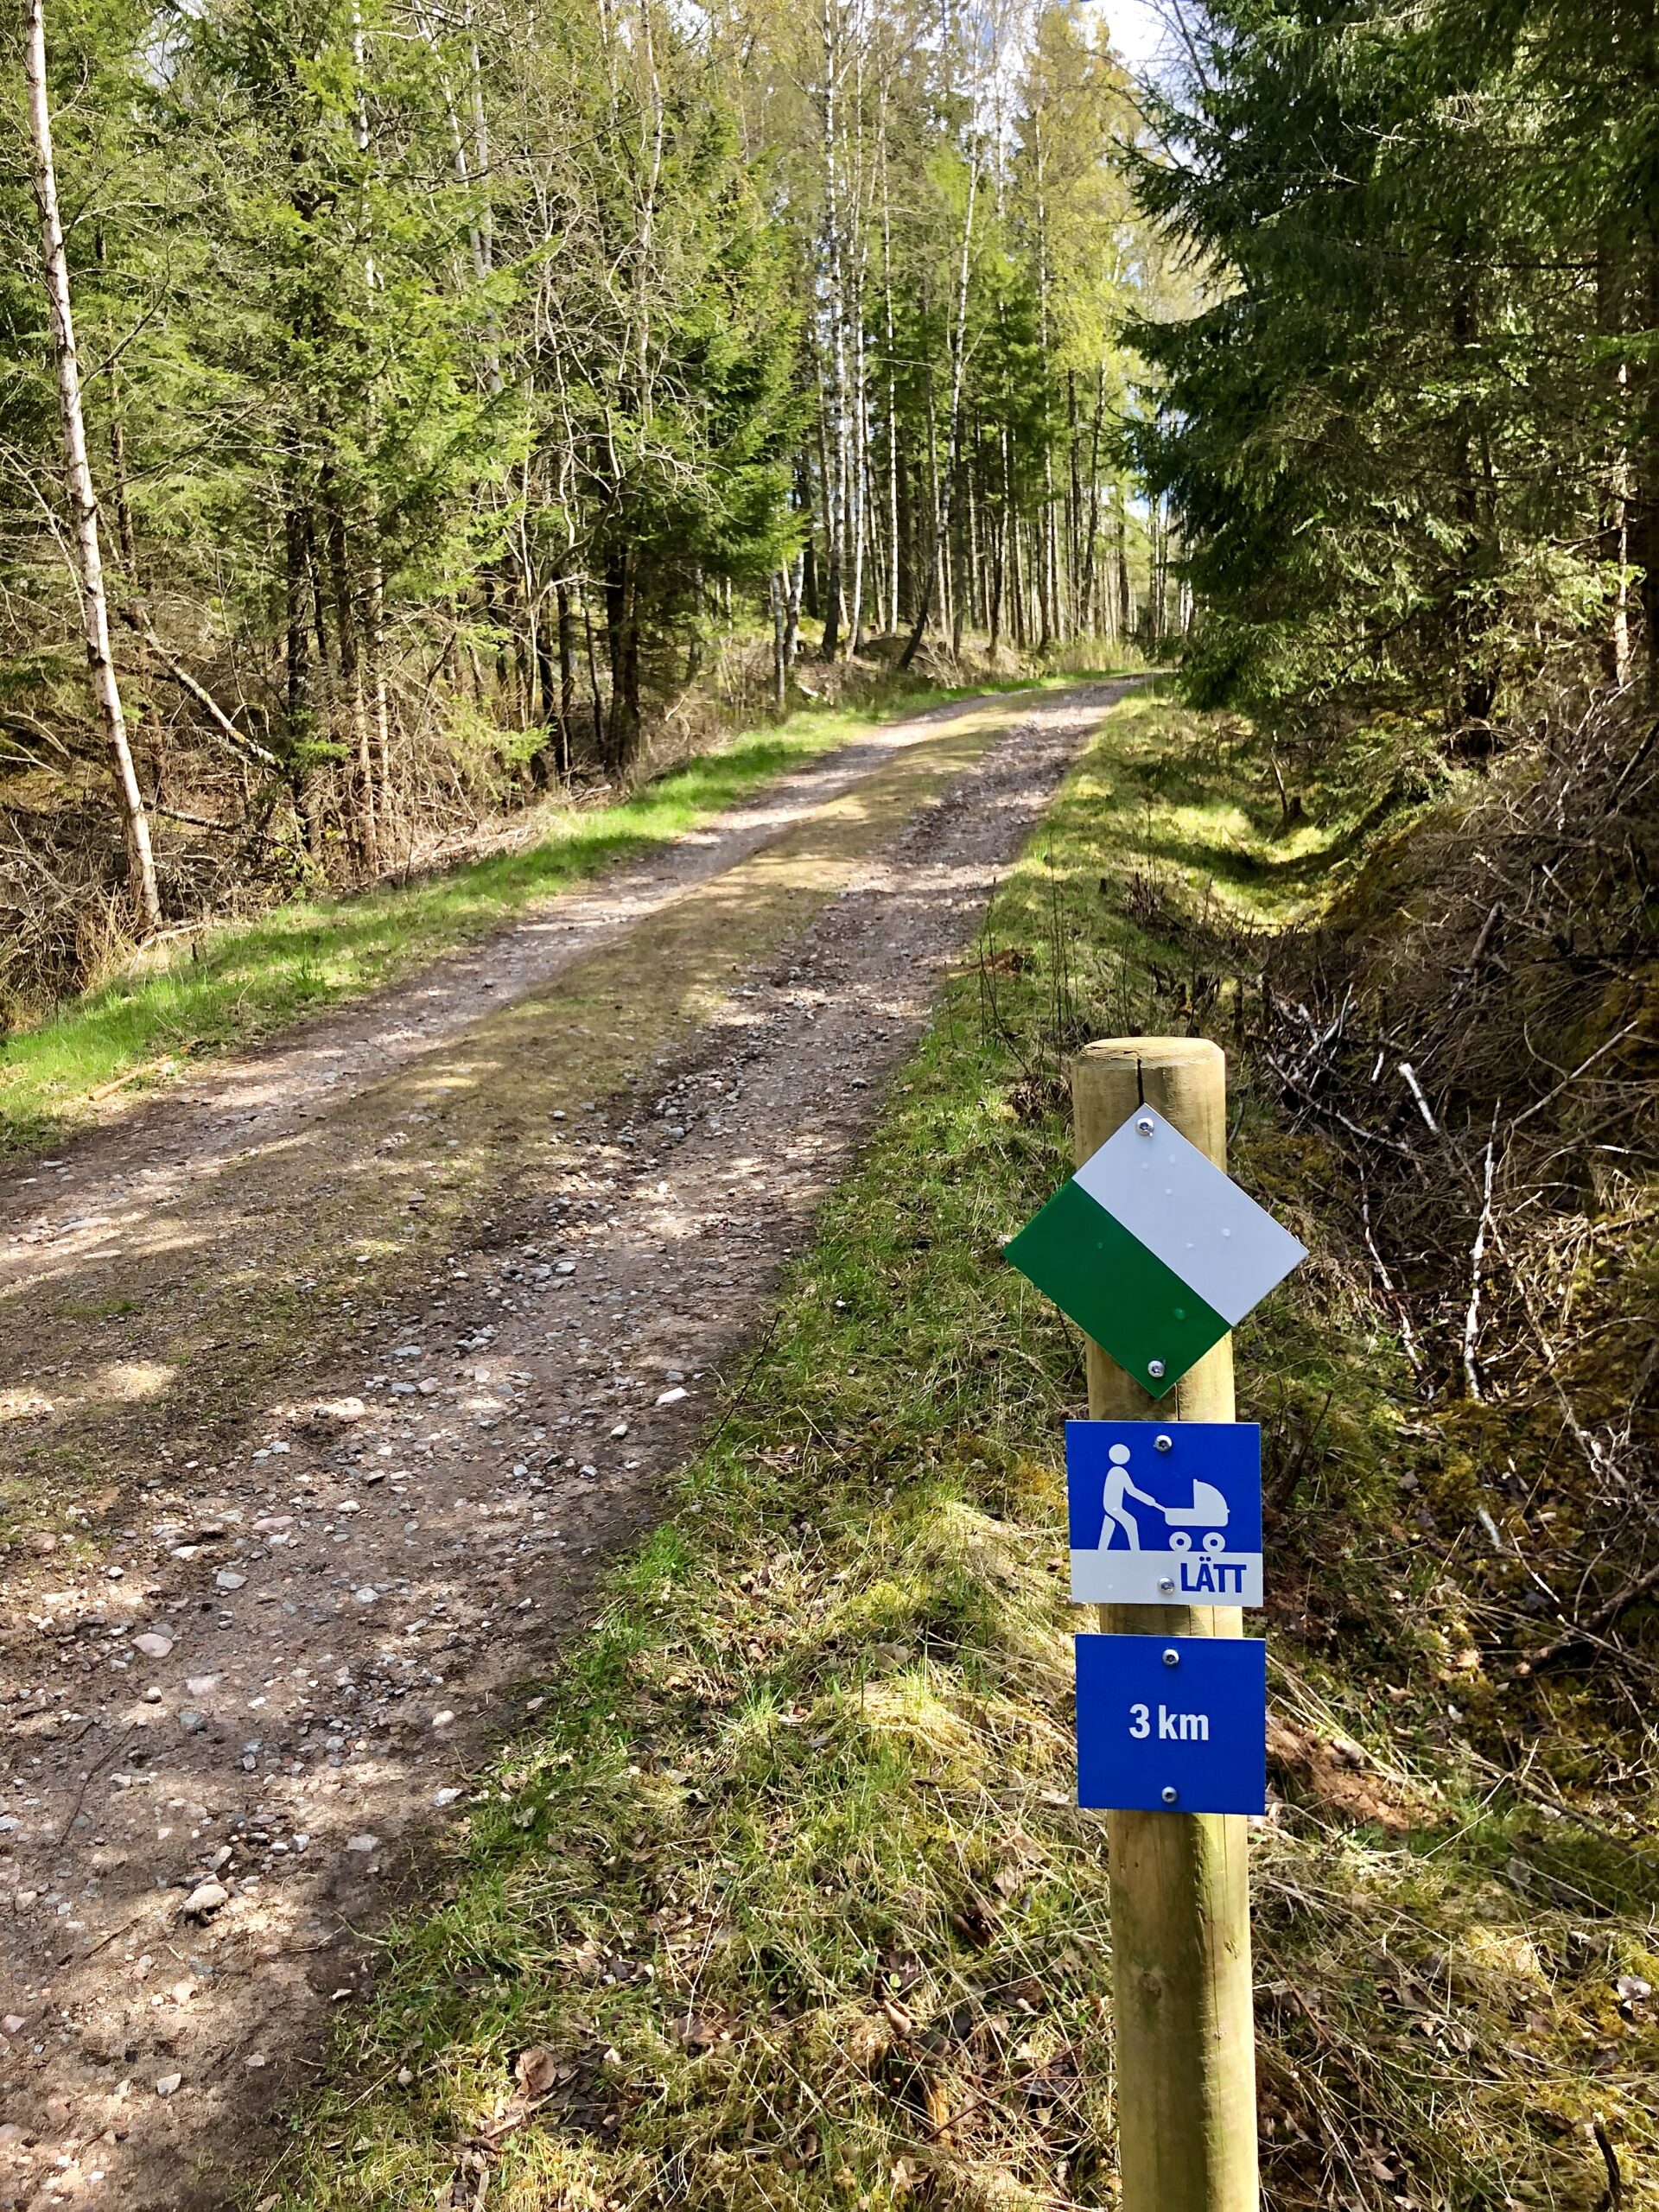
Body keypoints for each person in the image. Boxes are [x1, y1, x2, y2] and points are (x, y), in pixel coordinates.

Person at [1101, 1442, 1163, 1551]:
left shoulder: (1116, 1471)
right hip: (1113, 1507)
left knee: (1110, 1526)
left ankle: (1100, 1551)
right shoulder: (1118, 1472)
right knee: (1131, 1522)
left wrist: (1149, 1500)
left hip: (1112, 1506)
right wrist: (1149, 1500)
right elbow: (1131, 1491)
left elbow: (1130, 1490)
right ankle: (1135, 1551)